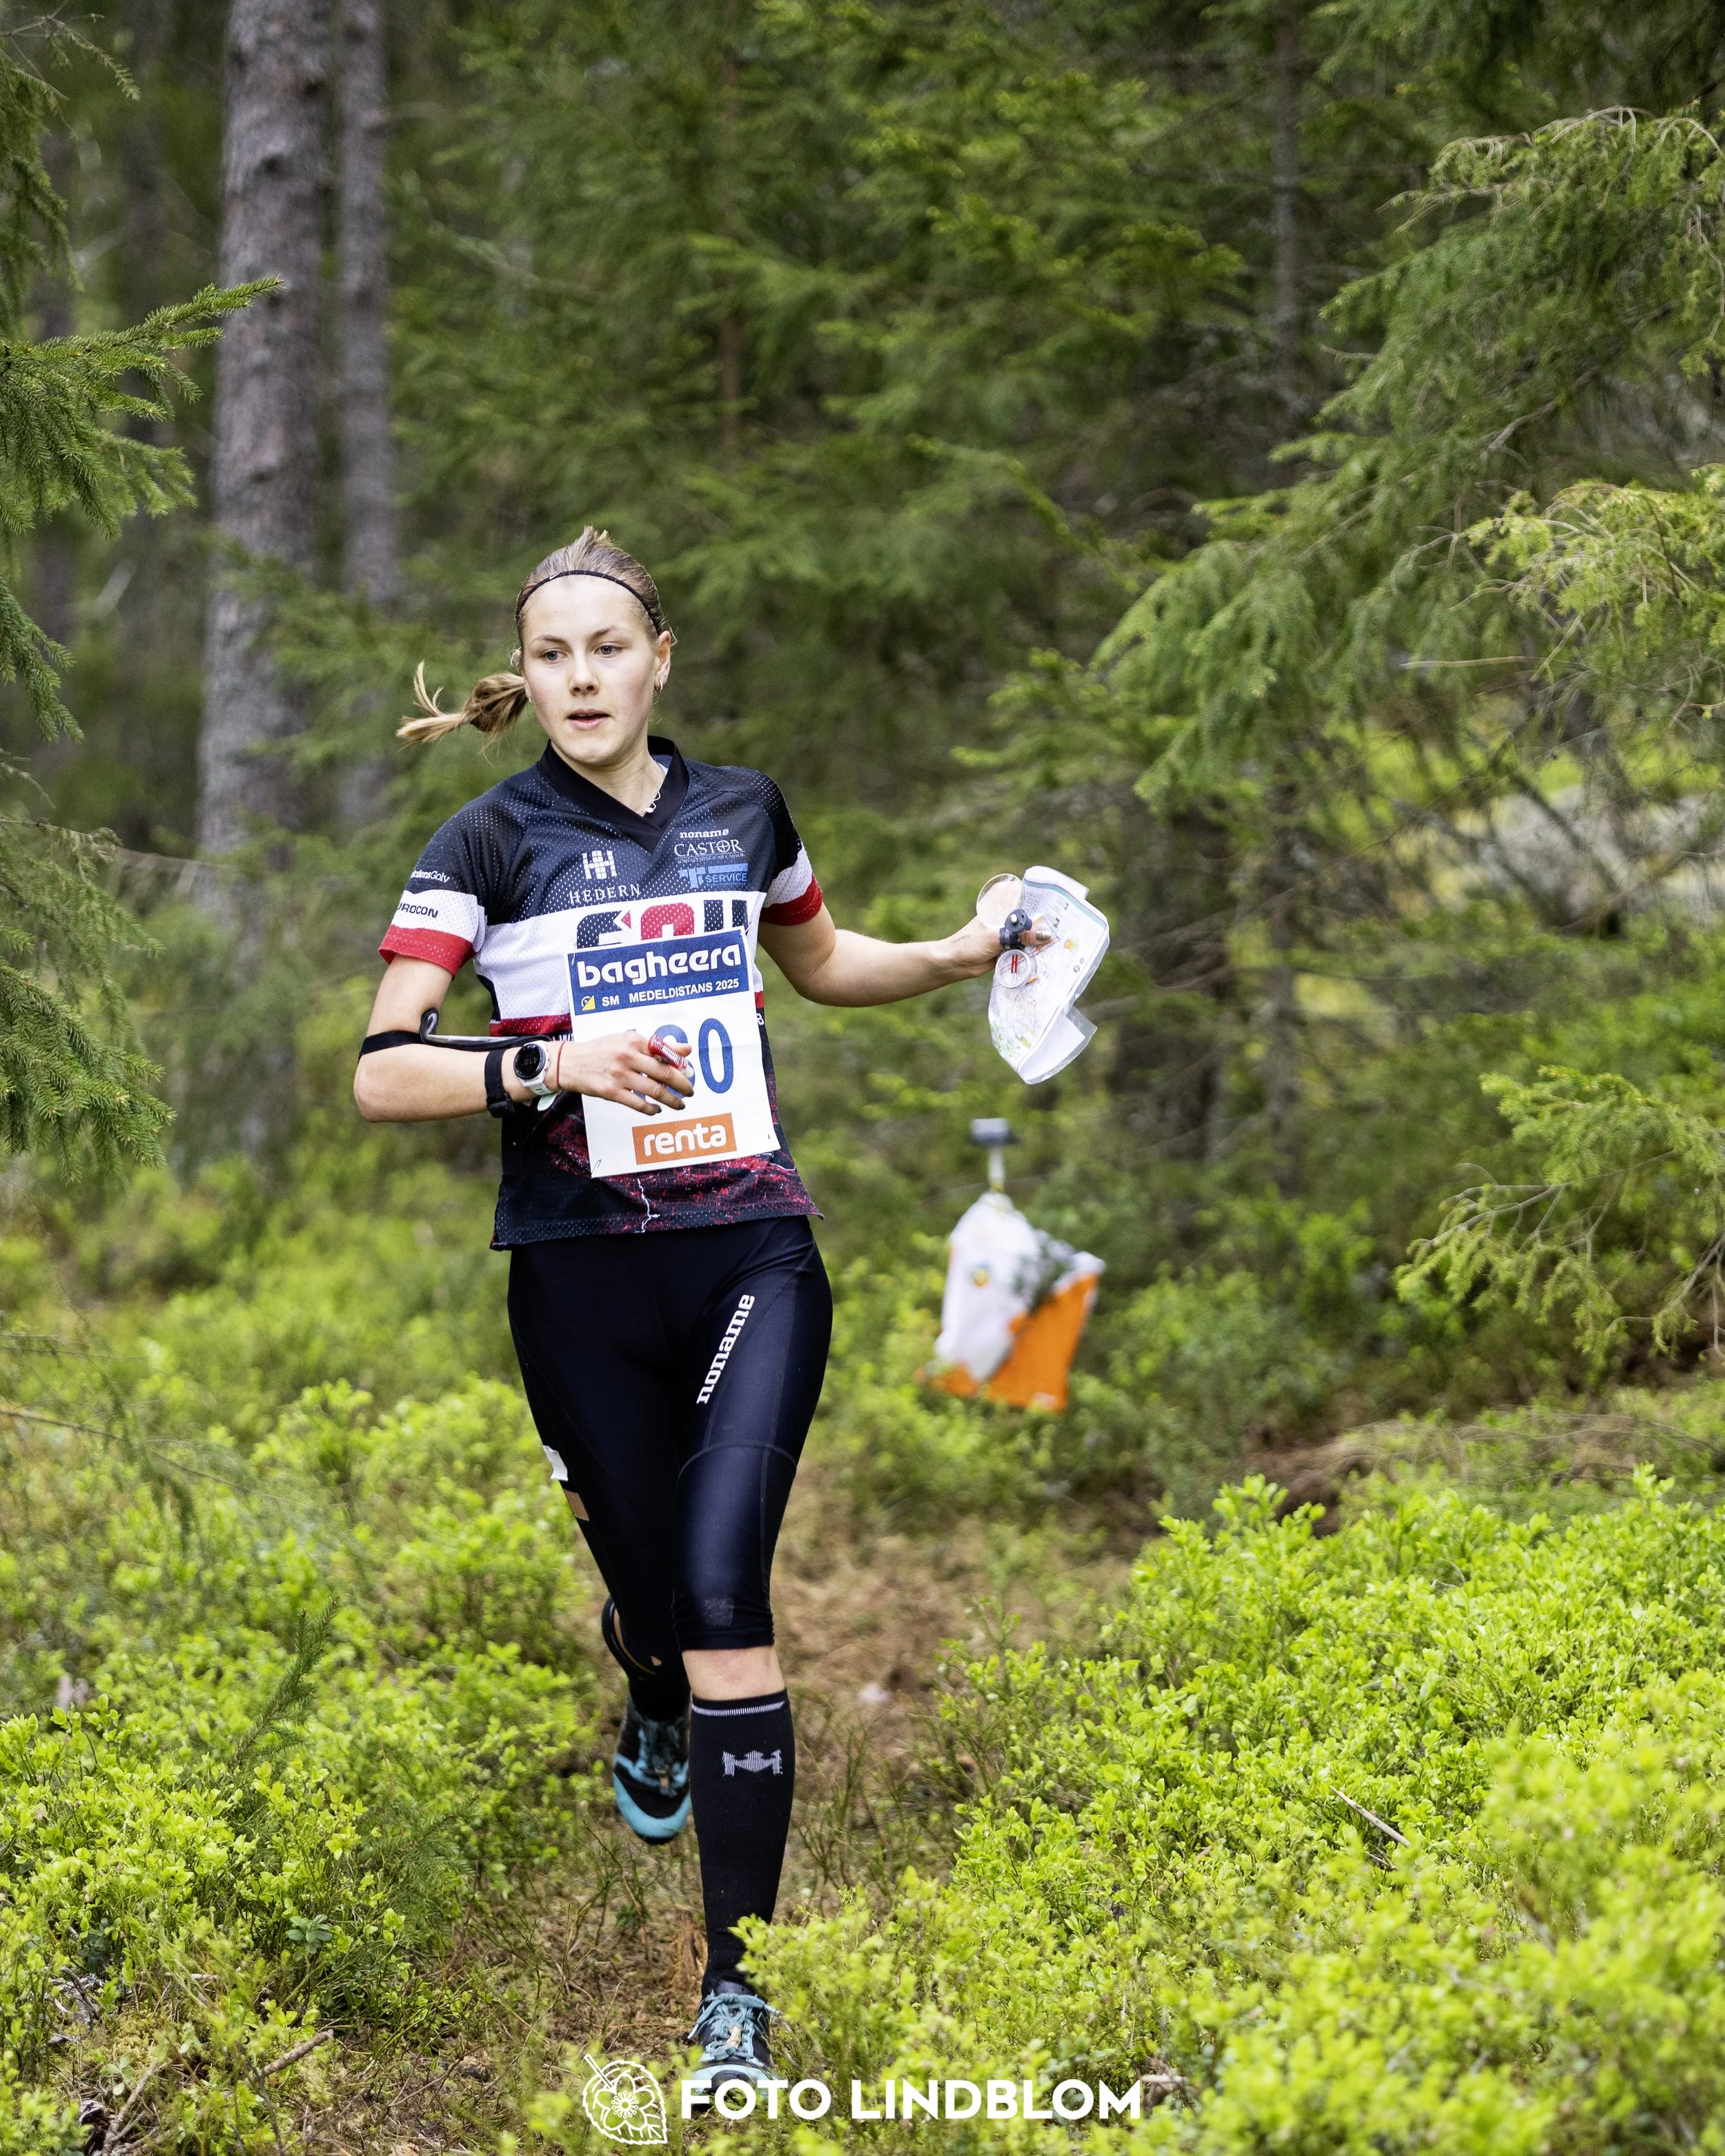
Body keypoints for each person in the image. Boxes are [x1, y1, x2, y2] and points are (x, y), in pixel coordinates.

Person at [353, 528, 1031, 2093]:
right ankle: (644, 1684)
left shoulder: (743, 809)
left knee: (728, 1591)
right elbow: (385, 1066)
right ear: (519, 681)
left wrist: (951, 950)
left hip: (750, 1249)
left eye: (608, 647)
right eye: (551, 655)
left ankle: (741, 1990)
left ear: (660, 660)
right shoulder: (485, 841)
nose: (581, 676)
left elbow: (817, 958)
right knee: (657, 1607)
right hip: (579, 1273)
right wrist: (550, 1061)